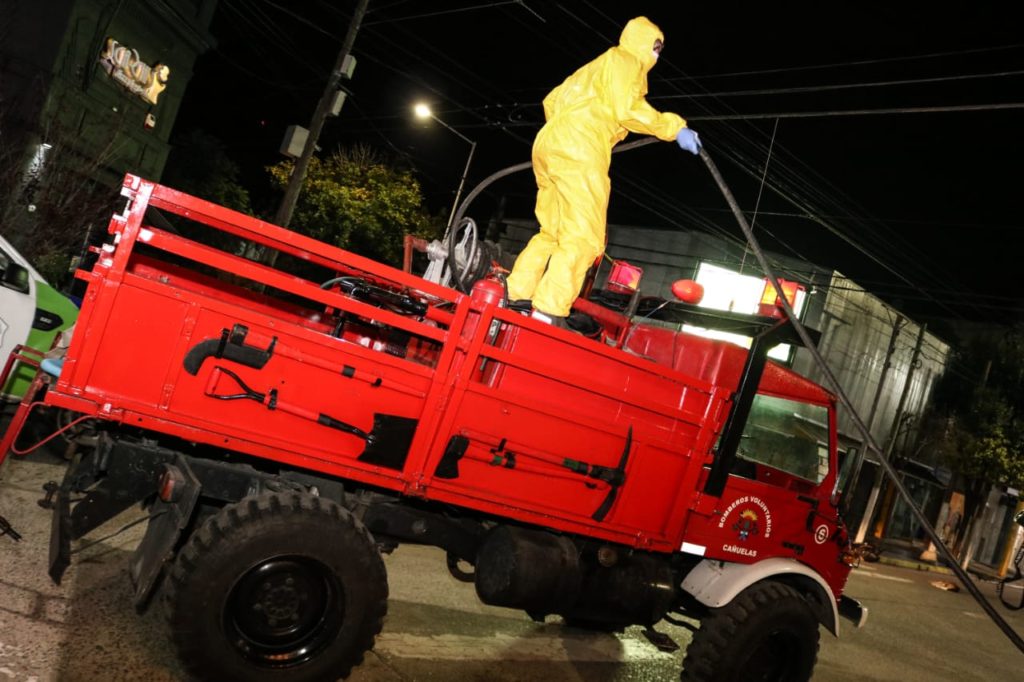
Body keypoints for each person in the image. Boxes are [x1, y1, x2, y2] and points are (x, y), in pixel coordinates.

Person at [505, 16, 701, 327]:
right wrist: (673, 128)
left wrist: (569, 126)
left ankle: (516, 295)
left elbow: (551, 100)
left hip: (549, 142)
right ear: (646, 46)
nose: (656, 58)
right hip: (581, 145)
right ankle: (549, 310)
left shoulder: (595, 66)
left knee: (552, 232)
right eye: (656, 50)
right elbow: (627, 108)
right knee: (584, 236)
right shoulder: (627, 61)